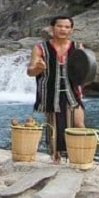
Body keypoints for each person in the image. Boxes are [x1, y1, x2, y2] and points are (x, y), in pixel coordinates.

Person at [27, 15, 86, 163]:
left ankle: (81, 156)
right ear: (52, 28)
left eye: (67, 27)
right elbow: (30, 71)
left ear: (71, 30)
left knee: (79, 123)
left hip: (72, 91)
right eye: (60, 26)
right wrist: (38, 68)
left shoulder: (78, 47)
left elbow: (85, 70)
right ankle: (56, 158)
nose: (63, 29)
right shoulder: (40, 48)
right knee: (54, 126)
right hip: (50, 92)